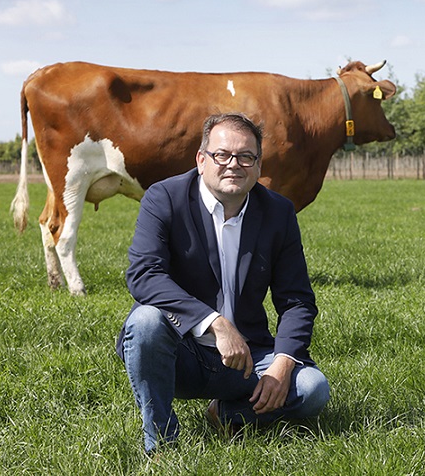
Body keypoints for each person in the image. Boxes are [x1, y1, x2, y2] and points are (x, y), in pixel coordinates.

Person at [115, 112, 329, 454]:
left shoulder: (278, 212)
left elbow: (297, 300)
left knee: (312, 388)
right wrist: (214, 322)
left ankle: (227, 412)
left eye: (246, 156)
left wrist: (284, 362)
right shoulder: (164, 198)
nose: (234, 165)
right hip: (179, 350)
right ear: (202, 160)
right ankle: (161, 444)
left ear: (258, 167)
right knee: (144, 321)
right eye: (222, 155)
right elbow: (144, 274)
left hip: (248, 356)